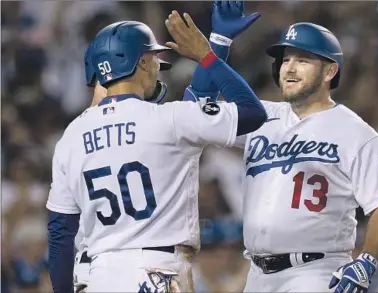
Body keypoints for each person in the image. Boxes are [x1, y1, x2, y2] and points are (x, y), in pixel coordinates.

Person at [46, 9, 267, 293]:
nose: (157, 65)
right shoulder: (167, 120)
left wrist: (219, 40)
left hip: (98, 275)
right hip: (156, 272)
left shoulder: (71, 137)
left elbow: (59, 234)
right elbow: (251, 112)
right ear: (140, 62)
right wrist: (208, 55)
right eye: (153, 58)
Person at [185, 22, 378, 293]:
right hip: (256, 274)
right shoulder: (260, 116)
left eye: (302, 60)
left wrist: (367, 261)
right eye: (285, 59)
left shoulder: (357, 133)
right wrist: (218, 44)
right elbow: (192, 113)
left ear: (330, 71)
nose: (289, 68)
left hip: (316, 272)